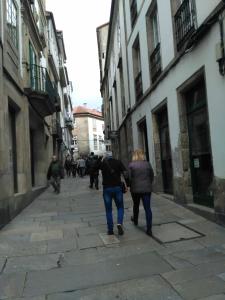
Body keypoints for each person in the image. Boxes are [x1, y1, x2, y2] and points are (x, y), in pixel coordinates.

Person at [96, 151, 129, 236]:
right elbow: (125, 173)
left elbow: (94, 168)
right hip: (117, 188)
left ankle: (110, 230)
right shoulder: (118, 162)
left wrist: (100, 158)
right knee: (120, 207)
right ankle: (119, 223)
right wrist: (128, 184)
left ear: (106, 157)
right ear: (113, 156)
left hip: (107, 189)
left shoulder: (103, 163)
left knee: (108, 210)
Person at [128, 149, 154, 236]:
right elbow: (151, 175)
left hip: (135, 189)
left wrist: (131, 185)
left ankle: (135, 220)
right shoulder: (147, 164)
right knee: (148, 208)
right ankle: (149, 229)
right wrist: (148, 183)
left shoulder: (131, 165)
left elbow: (129, 178)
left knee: (136, 205)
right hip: (146, 189)